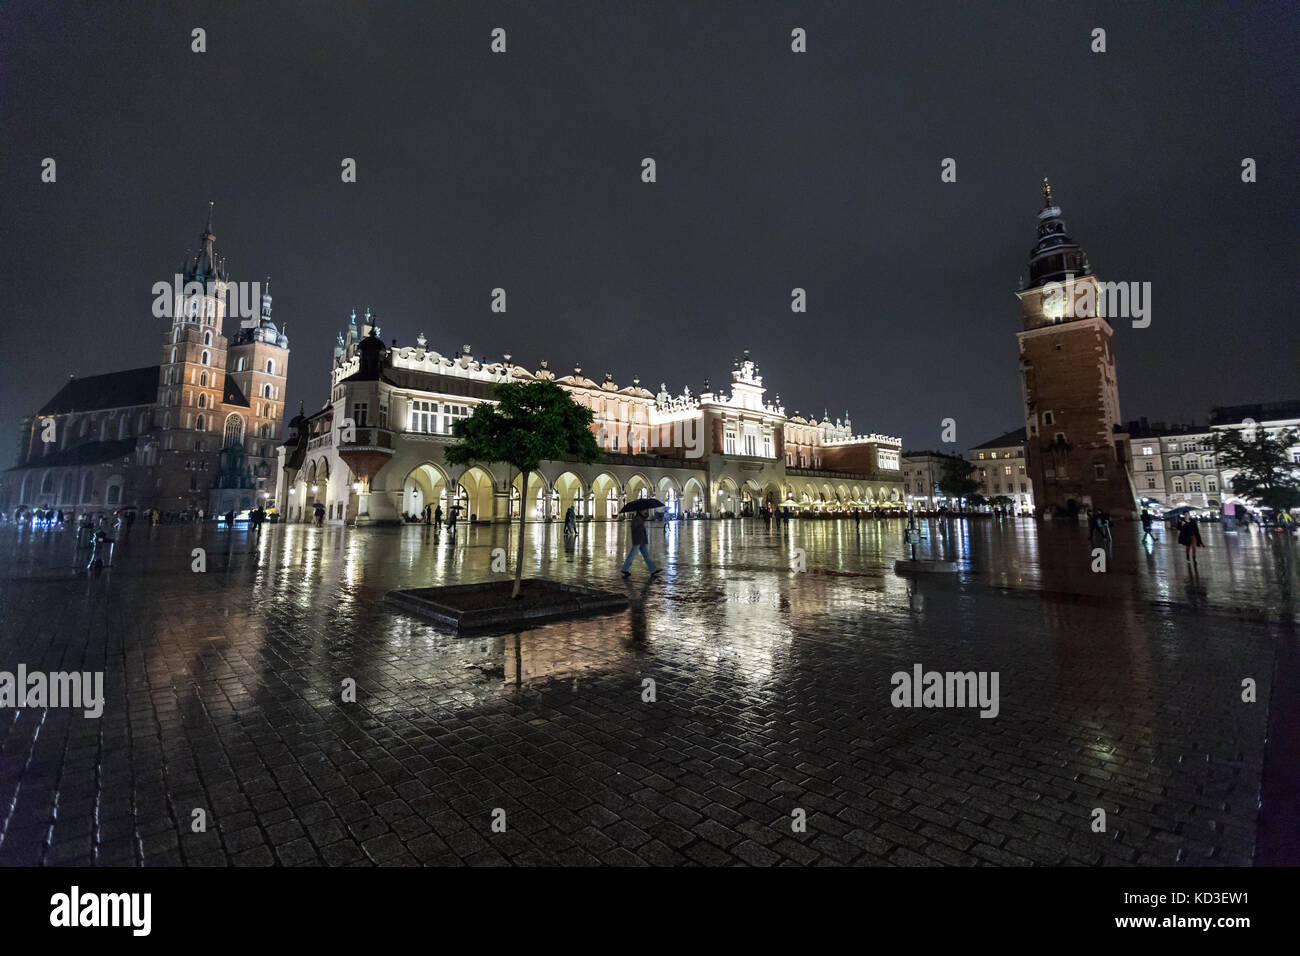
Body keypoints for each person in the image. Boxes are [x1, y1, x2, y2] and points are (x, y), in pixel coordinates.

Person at [621, 508, 660, 578]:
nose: (645, 511)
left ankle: (653, 570)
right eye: (644, 510)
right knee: (632, 555)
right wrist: (642, 526)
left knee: (646, 555)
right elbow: (634, 528)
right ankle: (625, 568)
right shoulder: (636, 518)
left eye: (645, 510)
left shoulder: (641, 518)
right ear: (640, 511)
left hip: (642, 539)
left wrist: (646, 514)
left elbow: (646, 516)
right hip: (638, 539)